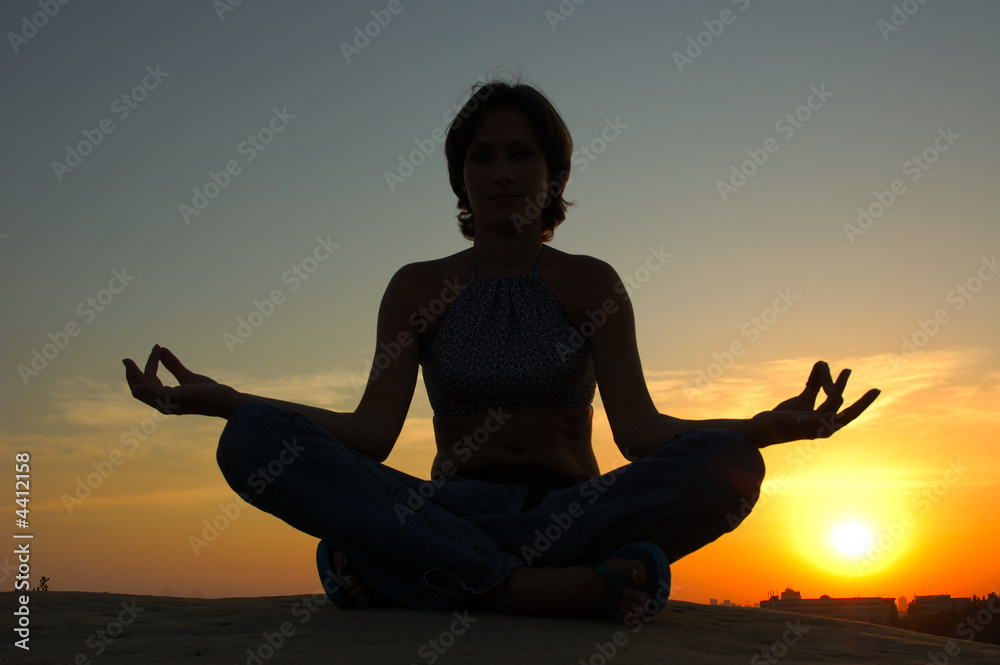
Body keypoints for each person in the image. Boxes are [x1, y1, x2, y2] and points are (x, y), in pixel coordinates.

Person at [123, 80, 879, 625]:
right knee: (251, 439)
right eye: (483, 157)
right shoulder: (417, 287)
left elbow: (641, 434)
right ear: (461, 177)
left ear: (553, 177)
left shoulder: (591, 283)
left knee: (732, 464)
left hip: (576, 508)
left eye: (521, 155)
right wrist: (229, 402)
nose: (503, 172)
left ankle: (422, 571)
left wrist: (762, 428)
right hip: (451, 502)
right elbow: (370, 435)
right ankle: (538, 587)